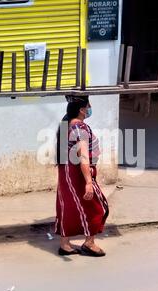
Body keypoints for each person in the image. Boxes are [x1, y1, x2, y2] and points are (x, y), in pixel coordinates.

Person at [55, 95, 109, 257]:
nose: (90, 107)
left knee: (69, 207)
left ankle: (65, 244)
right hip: (78, 173)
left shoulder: (67, 124)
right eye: (89, 105)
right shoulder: (80, 129)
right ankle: (89, 243)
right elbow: (83, 156)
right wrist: (88, 182)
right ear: (82, 109)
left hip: (67, 172)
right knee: (97, 207)